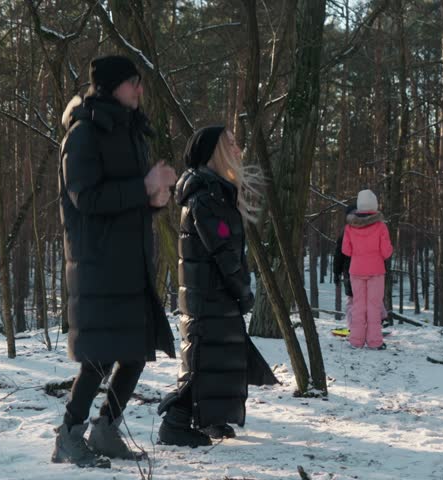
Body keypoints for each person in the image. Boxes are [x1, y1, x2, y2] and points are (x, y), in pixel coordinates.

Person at [53, 55, 178, 468]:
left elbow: (128, 199)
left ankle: (106, 430)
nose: (140, 90)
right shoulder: (85, 133)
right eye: (132, 83)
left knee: (137, 349)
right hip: (98, 261)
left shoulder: (130, 131)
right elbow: (85, 197)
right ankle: (68, 436)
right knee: (99, 354)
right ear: (110, 87)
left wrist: (154, 201)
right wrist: (143, 186)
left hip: (130, 260)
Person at [157, 125, 278, 447]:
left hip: (212, 295)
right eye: (232, 144)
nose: (239, 150)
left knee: (220, 361)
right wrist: (242, 290)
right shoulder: (207, 198)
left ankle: (210, 419)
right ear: (215, 152)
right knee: (204, 363)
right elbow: (224, 251)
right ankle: (175, 423)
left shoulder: (215, 193)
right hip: (209, 296)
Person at [342, 189, 393, 350]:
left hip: (356, 270)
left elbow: (346, 250)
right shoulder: (381, 226)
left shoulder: (350, 227)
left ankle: (356, 341)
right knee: (374, 306)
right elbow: (386, 252)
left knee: (358, 306)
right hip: (376, 271)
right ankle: (375, 342)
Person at [334, 204, 388, 330]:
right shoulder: (375, 227)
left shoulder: (347, 230)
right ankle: (378, 320)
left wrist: (336, 272)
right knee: (372, 298)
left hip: (351, 271)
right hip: (369, 270)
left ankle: (355, 327)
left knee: (354, 300)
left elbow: (339, 254)